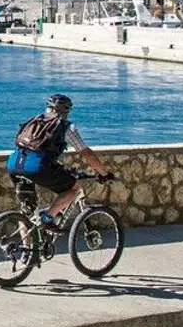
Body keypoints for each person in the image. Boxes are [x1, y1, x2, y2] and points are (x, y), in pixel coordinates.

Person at [7, 94, 114, 227]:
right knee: (74, 188)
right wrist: (104, 173)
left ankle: (26, 240)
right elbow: (86, 153)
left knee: (27, 211)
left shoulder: (34, 121)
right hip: (36, 167)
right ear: (66, 110)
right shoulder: (65, 126)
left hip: (14, 163)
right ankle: (47, 219)